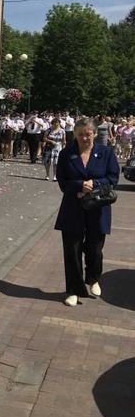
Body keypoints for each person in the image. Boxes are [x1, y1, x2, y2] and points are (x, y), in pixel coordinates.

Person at [55, 117, 119, 307]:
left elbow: (113, 177)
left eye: (88, 134)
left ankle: (93, 278)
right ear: (75, 134)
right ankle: (74, 291)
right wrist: (79, 184)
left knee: (95, 249)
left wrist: (95, 184)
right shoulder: (67, 154)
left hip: (97, 208)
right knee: (72, 250)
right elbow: (62, 180)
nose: (84, 138)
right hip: (73, 208)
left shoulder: (106, 152)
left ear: (94, 134)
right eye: (81, 134)